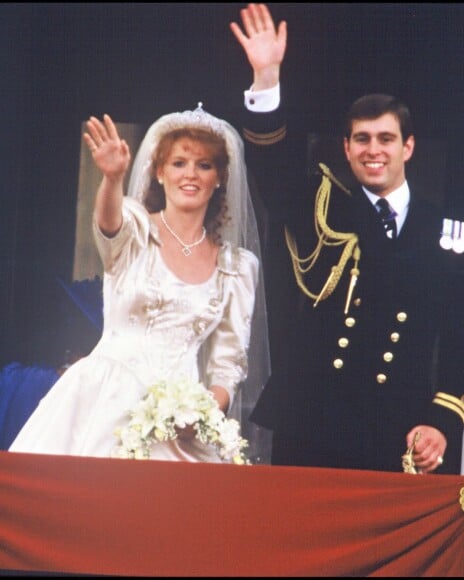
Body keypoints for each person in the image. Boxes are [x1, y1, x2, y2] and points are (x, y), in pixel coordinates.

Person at [230, 3, 464, 474]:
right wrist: (266, 78)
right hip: (315, 426)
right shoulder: (321, 208)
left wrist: (440, 421)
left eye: (386, 139)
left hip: (400, 429)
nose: (374, 150)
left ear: (407, 147)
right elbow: (273, 168)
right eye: (362, 139)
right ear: (345, 149)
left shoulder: (448, 228)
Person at [9, 103, 271, 463]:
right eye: (179, 163)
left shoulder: (237, 266)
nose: (190, 174)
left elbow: (229, 365)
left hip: (178, 426)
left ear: (220, 177)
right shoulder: (135, 228)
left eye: (204, 165)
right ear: (160, 172)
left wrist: (201, 412)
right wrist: (113, 178)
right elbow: (108, 223)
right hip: (103, 400)